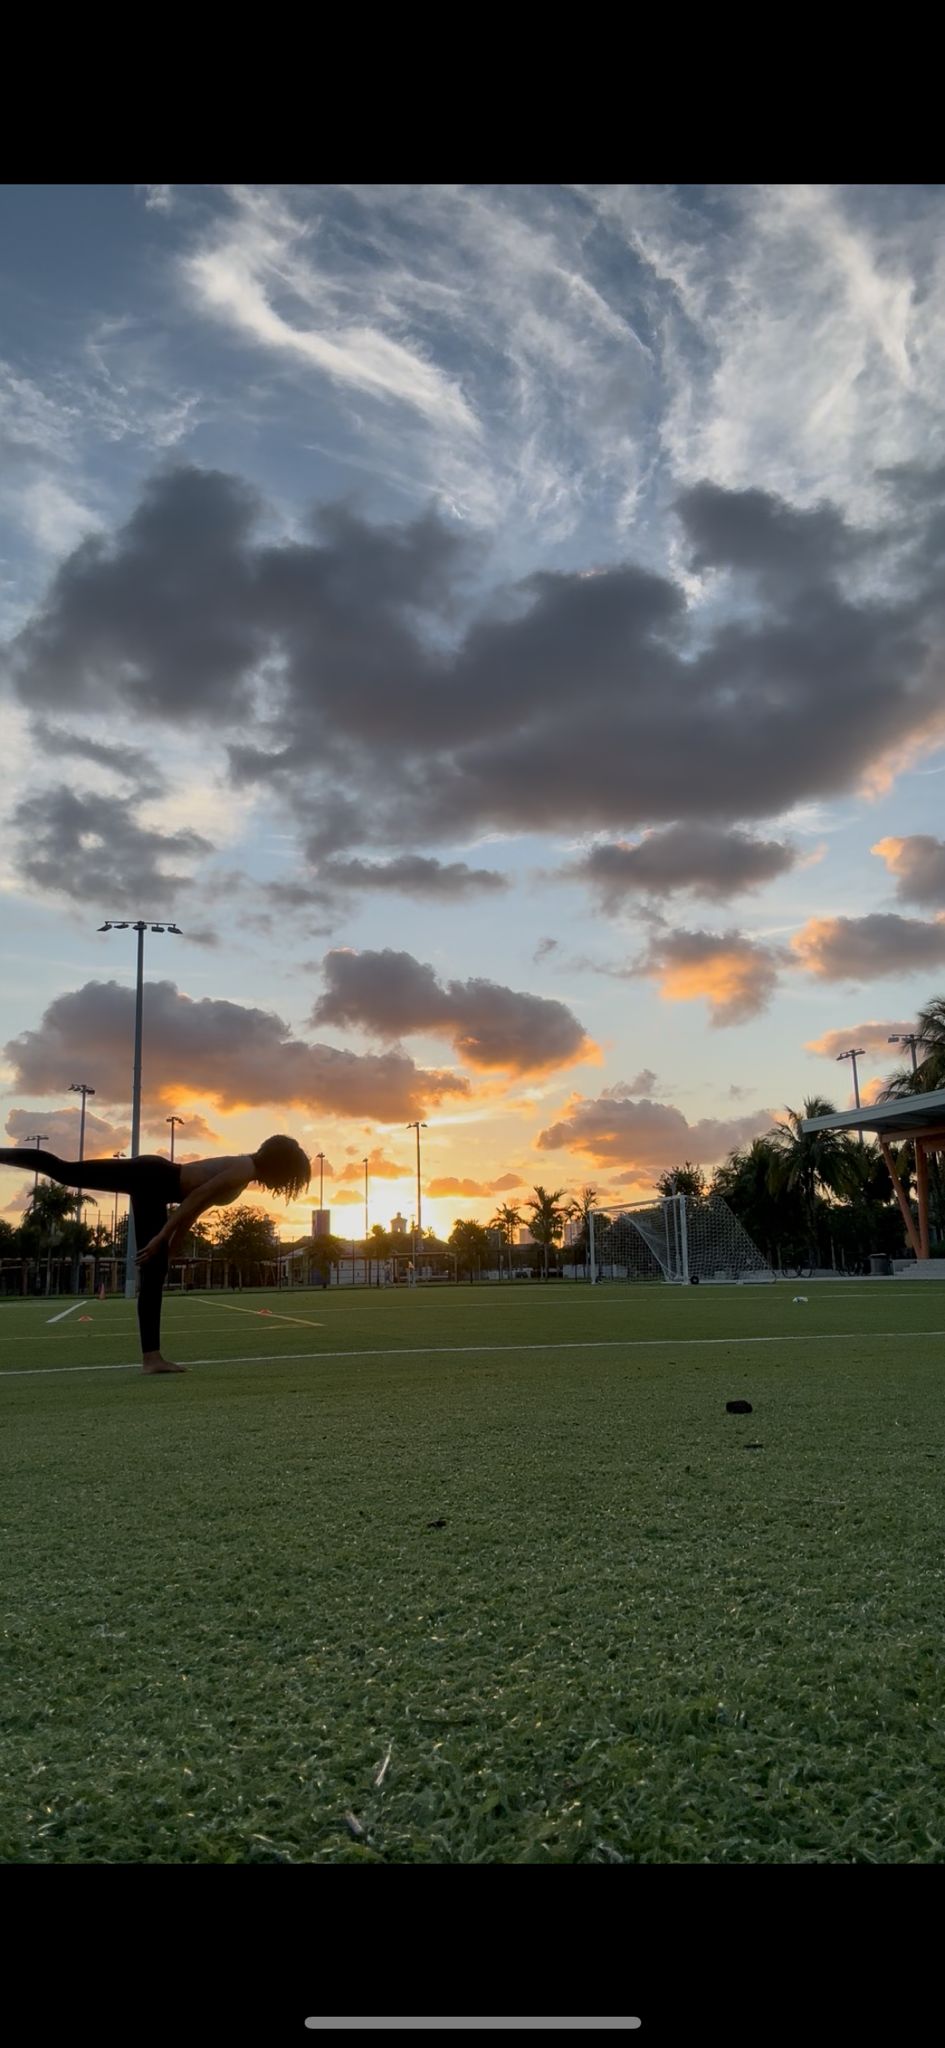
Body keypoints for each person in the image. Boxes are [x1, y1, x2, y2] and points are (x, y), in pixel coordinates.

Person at [0, 1135, 311, 1374]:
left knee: (155, 1270)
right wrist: (162, 1237)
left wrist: (170, 1251)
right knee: (65, 1171)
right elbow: (197, 1196)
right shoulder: (245, 1168)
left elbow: (194, 1209)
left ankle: (152, 1357)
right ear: (281, 1167)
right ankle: (152, 1358)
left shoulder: (244, 1175)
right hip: (151, 1176)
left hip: (155, 1186)